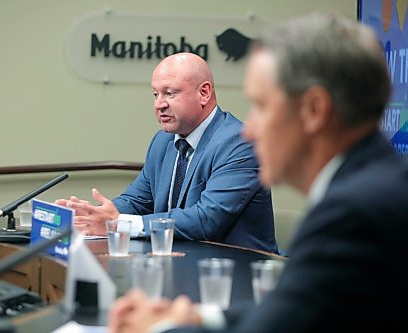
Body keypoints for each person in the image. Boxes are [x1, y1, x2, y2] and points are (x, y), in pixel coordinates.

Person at [108, 13, 408, 333]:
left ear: (314, 110)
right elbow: (289, 310)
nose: (249, 130)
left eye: (261, 106)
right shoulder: (372, 188)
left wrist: (158, 328)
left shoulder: (355, 214)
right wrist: (199, 318)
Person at [56, 52, 277, 252]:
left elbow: (206, 220)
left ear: (204, 93)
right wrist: (95, 215)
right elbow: (137, 200)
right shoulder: (163, 140)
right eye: (155, 95)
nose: (159, 105)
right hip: (180, 262)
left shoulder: (239, 142)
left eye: (169, 93)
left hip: (237, 274)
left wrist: (119, 223)